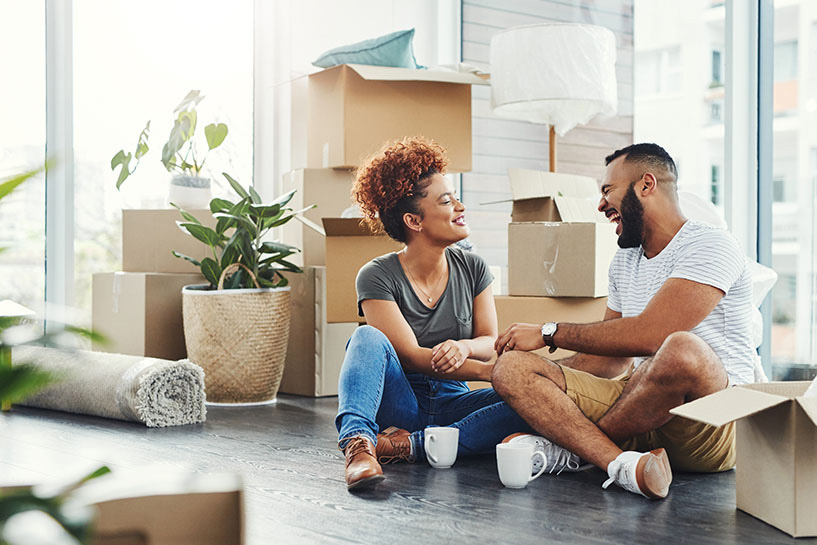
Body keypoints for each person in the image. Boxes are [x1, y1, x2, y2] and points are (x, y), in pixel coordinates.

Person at [491, 143, 755, 500]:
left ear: (646, 185)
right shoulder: (624, 262)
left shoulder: (711, 244)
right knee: (511, 369)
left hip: (714, 419)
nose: (600, 205)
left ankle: (577, 452)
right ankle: (622, 464)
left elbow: (651, 337)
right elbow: (608, 361)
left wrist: (548, 332)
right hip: (640, 408)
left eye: (607, 191)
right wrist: (537, 374)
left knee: (681, 349)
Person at [335, 137, 545, 490]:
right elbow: (413, 357)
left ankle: (406, 446)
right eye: (447, 200)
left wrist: (465, 348)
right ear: (413, 221)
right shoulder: (375, 275)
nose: (460, 206)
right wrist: (488, 371)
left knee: (536, 397)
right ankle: (358, 446)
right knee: (366, 337)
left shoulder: (474, 267)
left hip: (453, 400)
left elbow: (488, 339)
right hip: (399, 401)